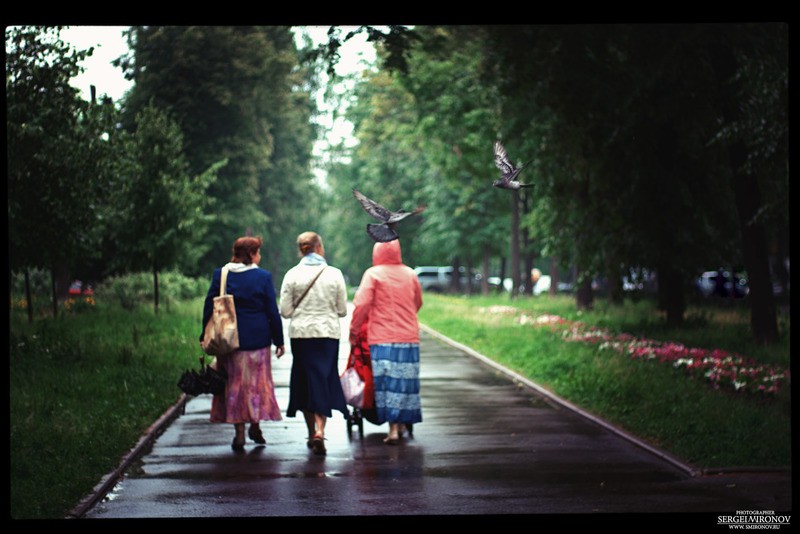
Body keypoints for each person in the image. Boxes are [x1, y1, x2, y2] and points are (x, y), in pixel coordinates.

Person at [200, 236, 285, 452]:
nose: (260, 256)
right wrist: (279, 340)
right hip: (257, 341)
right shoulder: (263, 276)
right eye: (258, 252)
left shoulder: (221, 275)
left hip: (230, 342)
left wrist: (204, 334)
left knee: (235, 387)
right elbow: (272, 312)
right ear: (251, 254)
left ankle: (239, 433)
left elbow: (209, 306)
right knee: (256, 386)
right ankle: (254, 425)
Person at [279, 231, 348, 455]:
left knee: (305, 381)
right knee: (323, 379)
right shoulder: (334, 274)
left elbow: (286, 311)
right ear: (319, 247)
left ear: (301, 249)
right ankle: (320, 430)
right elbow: (342, 310)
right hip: (327, 335)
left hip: (301, 335)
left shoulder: (291, 275)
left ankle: (311, 433)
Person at [349, 239, 423, 445]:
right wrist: (406, 318)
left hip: (381, 339)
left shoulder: (373, 274)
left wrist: (354, 330)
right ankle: (401, 423)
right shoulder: (410, 274)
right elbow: (418, 301)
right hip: (409, 337)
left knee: (387, 382)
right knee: (406, 382)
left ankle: (392, 430)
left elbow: (362, 304)